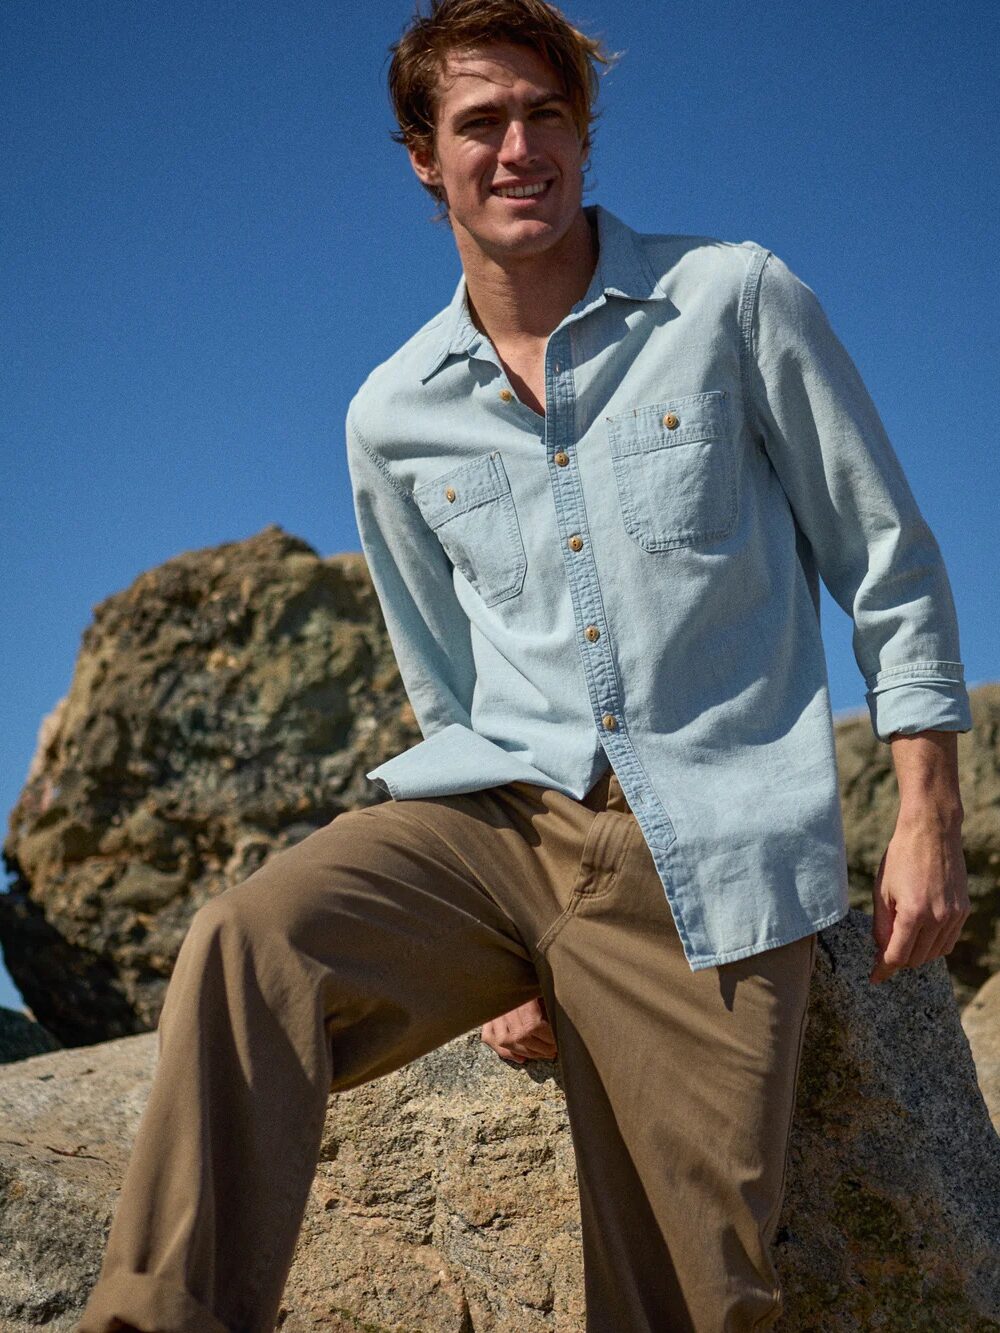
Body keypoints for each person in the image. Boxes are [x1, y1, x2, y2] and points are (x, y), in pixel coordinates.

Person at [78, 1, 972, 1330]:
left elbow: (885, 557)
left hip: (706, 863)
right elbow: (443, 681)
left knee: (698, 1297)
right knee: (244, 945)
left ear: (582, 131)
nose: (518, 149)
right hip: (499, 828)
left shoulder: (732, 299)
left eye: (545, 115)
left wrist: (927, 812)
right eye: (480, 122)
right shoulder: (393, 411)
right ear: (422, 159)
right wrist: (482, 949)